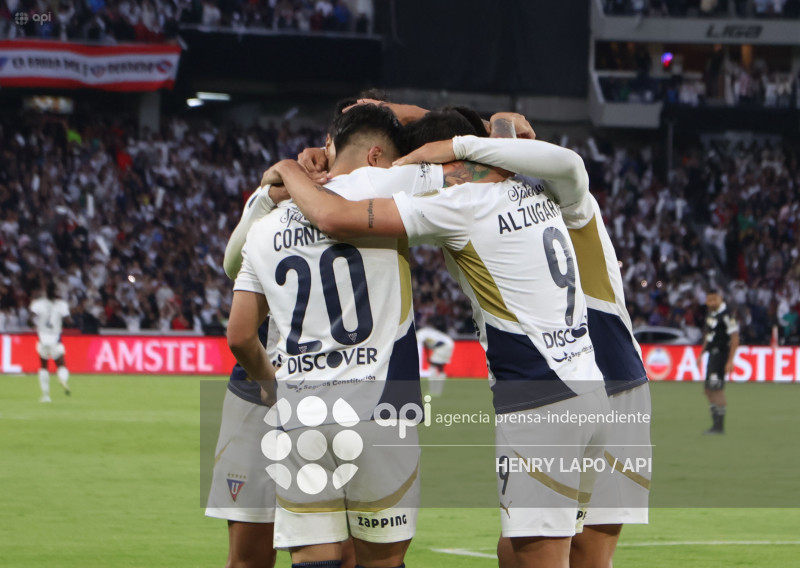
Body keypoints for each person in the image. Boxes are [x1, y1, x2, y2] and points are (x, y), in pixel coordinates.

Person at [270, 121, 611, 568]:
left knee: (538, 558)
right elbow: (564, 159)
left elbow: (333, 214)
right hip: (590, 394)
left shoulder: (461, 203)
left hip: (539, 405)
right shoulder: (543, 188)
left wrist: (288, 170)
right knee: (524, 551)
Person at [227, 104, 456, 568]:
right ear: (377, 155)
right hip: (378, 410)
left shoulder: (267, 225)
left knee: (315, 561)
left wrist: (275, 390)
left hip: (298, 416)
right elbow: (467, 168)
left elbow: (240, 335)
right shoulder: (389, 184)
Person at [697, 289, 739, 435]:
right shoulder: (710, 314)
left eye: (714, 299)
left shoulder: (727, 315)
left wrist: (730, 360)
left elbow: (735, 338)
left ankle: (719, 426)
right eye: (709, 300)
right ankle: (715, 424)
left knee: (716, 389)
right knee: (708, 390)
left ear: (720, 299)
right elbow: (708, 335)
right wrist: (701, 354)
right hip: (712, 356)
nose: (711, 303)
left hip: (721, 356)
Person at [29, 282, 71, 402]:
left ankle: (46, 395)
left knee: (43, 366)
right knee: (61, 365)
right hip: (55, 340)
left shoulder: (37, 304)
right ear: (56, 291)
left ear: (45, 291)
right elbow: (69, 320)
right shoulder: (62, 304)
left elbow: (30, 319)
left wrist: (35, 322)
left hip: (42, 339)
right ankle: (62, 379)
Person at [416, 326, 454, 397]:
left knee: (433, 367)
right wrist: (428, 357)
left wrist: (427, 357)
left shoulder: (419, 335)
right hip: (449, 343)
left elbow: (425, 345)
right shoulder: (425, 330)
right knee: (440, 368)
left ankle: (435, 390)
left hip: (443, 346)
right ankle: (437, 390)